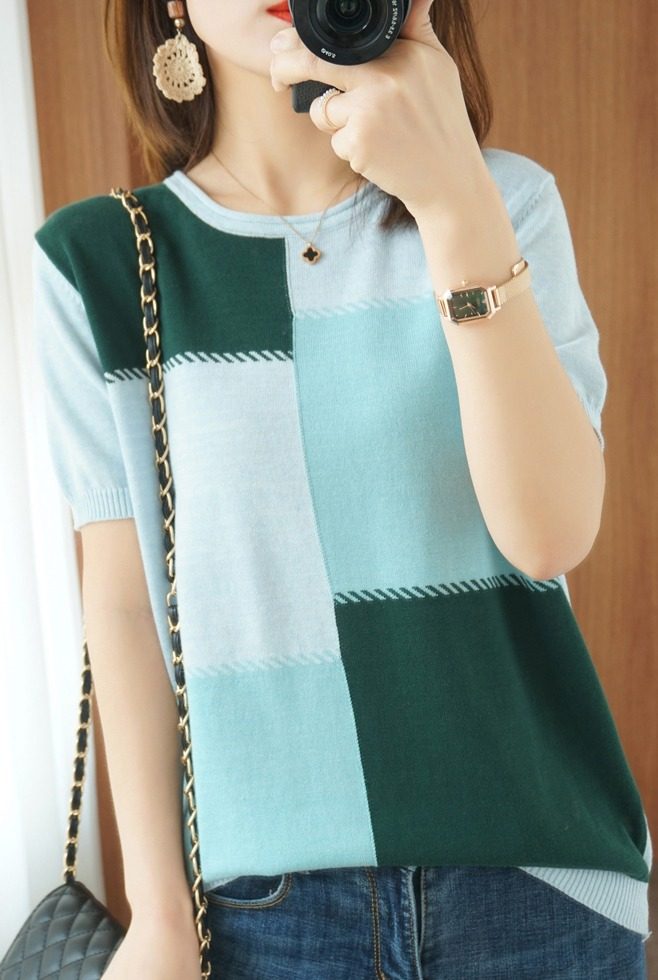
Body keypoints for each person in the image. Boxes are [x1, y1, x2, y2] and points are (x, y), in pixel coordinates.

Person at [31, 0, 652, 976]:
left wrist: (450, 199)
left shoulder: (503, 202)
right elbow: (125, 606)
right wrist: (158, 914)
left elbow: (550, 533)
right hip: (260, 915)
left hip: (535, 885)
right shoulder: (101, 262)